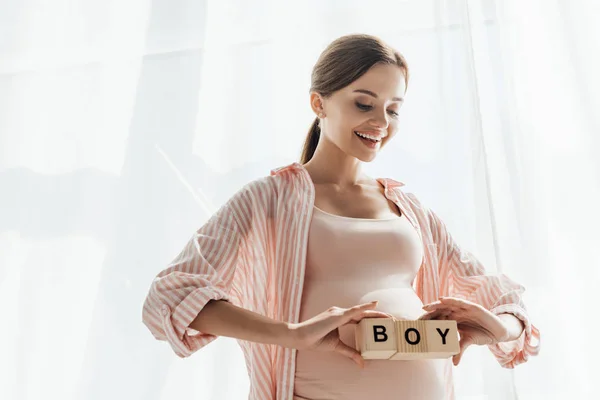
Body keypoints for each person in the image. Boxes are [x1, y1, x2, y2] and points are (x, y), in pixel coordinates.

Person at [142, 34, 540, 400]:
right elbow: (170, 298)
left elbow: (503, 300)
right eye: (363, 104)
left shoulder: (410, 209)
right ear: (319, 103)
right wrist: (293, 335)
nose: (381, 123)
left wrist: (496, 326)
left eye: (393, 110)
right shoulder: (268, 200)